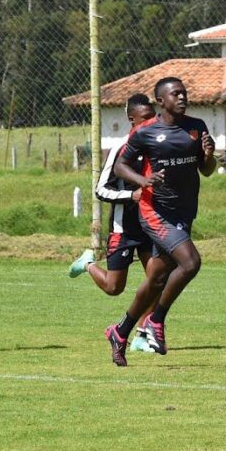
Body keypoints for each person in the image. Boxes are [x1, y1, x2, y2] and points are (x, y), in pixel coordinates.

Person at [108, 77, 216, 366]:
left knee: (157, 279)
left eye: (184, 93)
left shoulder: (197, 127)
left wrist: (209, 155)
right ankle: (156, 320)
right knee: (190, 263)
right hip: (154, 211)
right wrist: (143, 180)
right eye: (175, 94)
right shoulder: (145, 132)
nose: (182, 97)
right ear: (160, 101)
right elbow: (120, 166)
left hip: (184, 212)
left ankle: (120, 332)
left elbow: (206, 170)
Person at [68, 93, 163, 354]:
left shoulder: (158, 148)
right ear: (132, 119)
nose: (150, 123)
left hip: (150, 226)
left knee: (158, 278)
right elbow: (100, 190)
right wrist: (130, 196)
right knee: (113, 287)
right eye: (145, 119)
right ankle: (87, 264)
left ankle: (141, 335)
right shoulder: (121, 150)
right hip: (124, 230)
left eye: (153, 118)